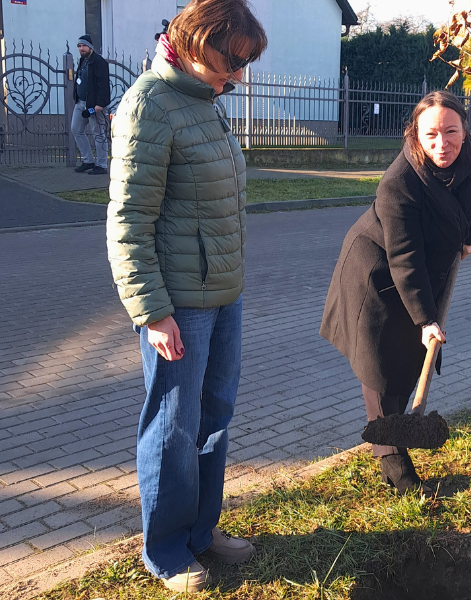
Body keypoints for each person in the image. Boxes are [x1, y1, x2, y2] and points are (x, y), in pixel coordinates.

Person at [105, 0, 267, 592]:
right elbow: (128, 221)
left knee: (214, 417)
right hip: (179, 305)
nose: (238, 76)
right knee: (172, 426)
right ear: (198, 44)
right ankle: (168, 550)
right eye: (233, 62)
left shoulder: (205, 100)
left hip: (225, 295)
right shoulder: (150, 103)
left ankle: (201, 531)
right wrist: (152, 313)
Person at [320, 91, 471, 495]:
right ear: (415, 133)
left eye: (451, 132)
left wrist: (469, 238)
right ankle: (395, 467)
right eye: (431, 134)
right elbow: (404, 257)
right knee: (381, 370)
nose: (442, 143)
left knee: (408, 361)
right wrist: (427, 319)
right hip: (377, 274)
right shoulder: (399, 183)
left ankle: (394, 437)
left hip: (422, 271)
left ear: (465, 130)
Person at [71, 34, 111, 175]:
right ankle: (88, 160)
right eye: (79, 46)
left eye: (84, 46)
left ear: (90, 47)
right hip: (80, 103)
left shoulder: (99, 62)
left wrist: (100, 104)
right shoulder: (83, 60)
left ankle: (101, 165)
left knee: (98, 133)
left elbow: (103, 85)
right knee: (76, 129)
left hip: (94, 105)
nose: (81, 48)